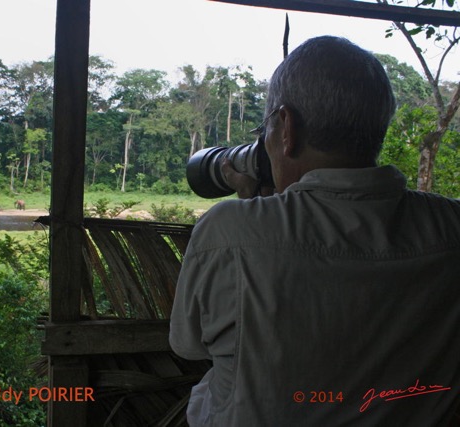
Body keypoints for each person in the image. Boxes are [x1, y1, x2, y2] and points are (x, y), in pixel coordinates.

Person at [169, 36, 460, 426]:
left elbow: (187, 346)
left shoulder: (229, 232)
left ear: (286, 127)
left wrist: (252, 212)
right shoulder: (450, 224)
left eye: (267, 127)